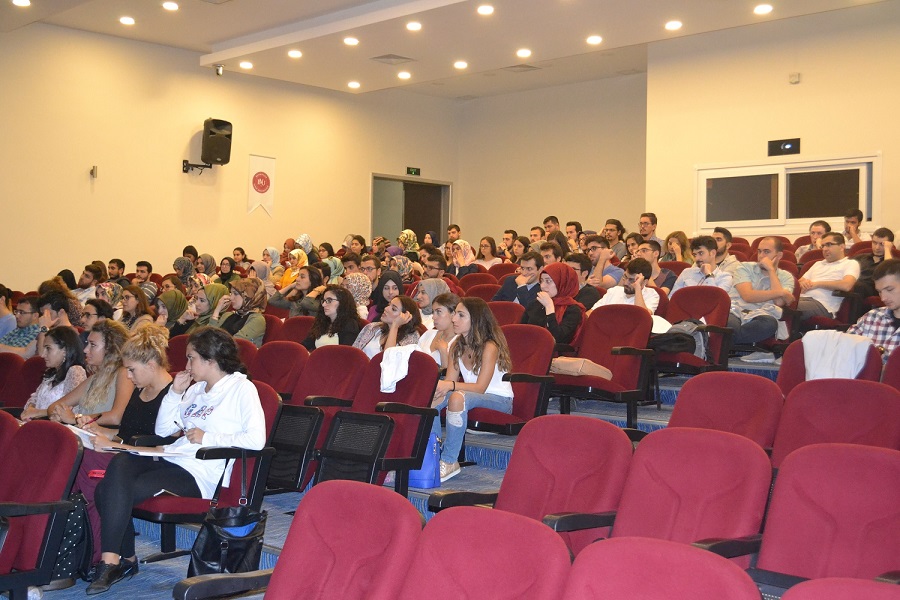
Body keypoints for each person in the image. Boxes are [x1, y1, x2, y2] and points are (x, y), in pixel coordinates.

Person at [90, 327, 265, 594]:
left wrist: (208, 437)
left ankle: (119, 562)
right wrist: (174, 393)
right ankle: (116, 560)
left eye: (191, 358)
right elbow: (163, 430)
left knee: (107, 491)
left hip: (201, 471)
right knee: (121, 463)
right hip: (174, 458)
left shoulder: (241, 388)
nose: (187, 365)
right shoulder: (195, 390)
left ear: (210, 359)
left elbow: (256, 440)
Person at [77, 324, 173, 569]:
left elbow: (159, 443)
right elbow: (126, 435)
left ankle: (97, 551)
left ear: (150, 365)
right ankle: (97, 549)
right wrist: (99, 431)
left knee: (89, 465)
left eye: (131, 370)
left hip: (151, 463)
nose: (128, 377)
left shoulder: (173, 395)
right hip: (128, 457)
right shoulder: (141, 391)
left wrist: (111, 443)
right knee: (79, 453)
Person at [431, 297, 513, 482]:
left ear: (475, 319)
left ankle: (449, 460)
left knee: (457, 397)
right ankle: (432, 454)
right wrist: (442, 388)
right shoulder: (456, 345)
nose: (454, 319)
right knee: (434, 397)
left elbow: (480, 388)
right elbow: (450, 382)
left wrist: (449, 385)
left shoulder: (490, 346)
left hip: (499, 400)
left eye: (461, 315)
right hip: (470, 396)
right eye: (455, 314)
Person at [46, 319, 133, 425]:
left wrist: (75, 418)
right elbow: (53, 407)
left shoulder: (124, 374)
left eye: (93, 345)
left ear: (110, 348)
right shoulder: (94, 378)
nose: (85, 350)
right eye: (87, 344)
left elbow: (116, 417)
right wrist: (57, 414)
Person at [730, 237, 796, 363]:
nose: (761, 256)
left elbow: (779, 302)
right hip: (735, 310)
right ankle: (734, 339)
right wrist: (782, 292)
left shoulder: (786, 277)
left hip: (761, 314)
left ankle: (726, 339)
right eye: (759, 251)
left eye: (766, 252)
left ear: (779, 255)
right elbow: (748, 296)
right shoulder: (744, 267)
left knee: (769, 324)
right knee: (727, 323)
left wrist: (771, 271)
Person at [20, 326, 88, 421]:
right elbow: (35, 398)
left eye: (48, 348)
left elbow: (70, 410)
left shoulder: (75, 371)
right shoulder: (51, 372)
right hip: (38, 423)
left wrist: (37, 412)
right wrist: (31, 408)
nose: (43, 355)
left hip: (58, 427)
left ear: (65, 351)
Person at [797, 232, 859, 322]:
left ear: (842, 247)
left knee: (787, 307)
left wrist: (818, 284)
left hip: (823, 305)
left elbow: (846, 285)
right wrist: (803, 283)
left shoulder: (850, 263)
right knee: (779, 304)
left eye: (829, 245)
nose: (825, 249)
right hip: (803, 298)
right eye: (823, 246)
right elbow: (798, 283)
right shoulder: (818, 264)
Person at [848, 259, 900, 364]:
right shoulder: (871, 317)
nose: (883, 298)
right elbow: (845, 349)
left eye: (889, 290)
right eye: (879, 292)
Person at [521, 263, 584, 344]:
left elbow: (558, 338)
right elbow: (521, 331)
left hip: (555, 350)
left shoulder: (573, 310)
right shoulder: (536, 303)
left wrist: (549, 308)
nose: (542, 286)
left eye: (548, 281)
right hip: (530, 346)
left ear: (562, 283)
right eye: (541, 281)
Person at [353, 296, 422, 358]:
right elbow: (354, 353)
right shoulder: (372, 327)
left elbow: (388, 360)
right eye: (388, 305)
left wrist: (395, 325)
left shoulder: (411, 337)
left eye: (393, 309)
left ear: (406, 317)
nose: (386, 308)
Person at [587, 258, 659, 315]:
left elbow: (641, 316)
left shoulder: (651, 294)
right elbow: (592, 312)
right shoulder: (614, 291)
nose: (626, 282)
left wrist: (637, 287)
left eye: (631, 280)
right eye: (625, 277)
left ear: (644, 282)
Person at [209, 278, 267, 347]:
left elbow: (233, 344)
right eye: (231, 293)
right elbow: (208, 336)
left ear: (249, 295)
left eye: (236, 294)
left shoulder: (257, 320)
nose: (231, 298)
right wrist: (217, 311)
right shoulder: (228, 314)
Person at [301, 285, 362, 350]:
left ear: (342, 302)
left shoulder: (350, 324)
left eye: (329, 300)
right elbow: (305, 345)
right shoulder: (322, 322)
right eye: (324, 301)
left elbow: (345, 352)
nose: (323, 304)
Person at [416, 292, 460, 367]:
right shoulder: (428, 334)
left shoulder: (459, 342)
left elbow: (451, 373)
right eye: (433, 312)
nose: (433, 317)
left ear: (453, 314)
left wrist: (443, 353)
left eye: (438, 312)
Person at [853, 227, 894, 297]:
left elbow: (889, 273)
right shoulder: (861, 257)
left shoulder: (893, 263)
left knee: (859, 286)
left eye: (882, 244)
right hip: (853, 288)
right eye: (874, 243)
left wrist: (887, 249)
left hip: (872, 291)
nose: (877, 248)